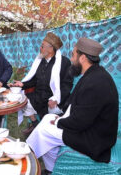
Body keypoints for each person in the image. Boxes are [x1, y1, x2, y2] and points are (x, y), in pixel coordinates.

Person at [26, 38, 119, 175]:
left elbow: (80, 122)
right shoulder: (93, 74)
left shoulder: (95, 82)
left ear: (82, 58)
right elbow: (78, 109)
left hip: (94, 139)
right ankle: (51, 169)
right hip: (89, 127)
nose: (71, 59)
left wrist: (59, 122)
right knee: (47, 118)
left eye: (73, 55)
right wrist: (58, 118)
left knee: (43, 131)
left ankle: (27, 156)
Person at [10, 32, 73, 135]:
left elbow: (67, 84)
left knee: (51, 127)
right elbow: (35, 80)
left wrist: (56, 99)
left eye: (42, 46)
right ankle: (35, 124)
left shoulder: (64, 62)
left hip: (54, 98)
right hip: (39, 95)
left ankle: (46, 131)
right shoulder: (40, 61)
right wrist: (23, 84)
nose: (40, 48)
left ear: (51, 49)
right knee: (22, 101)